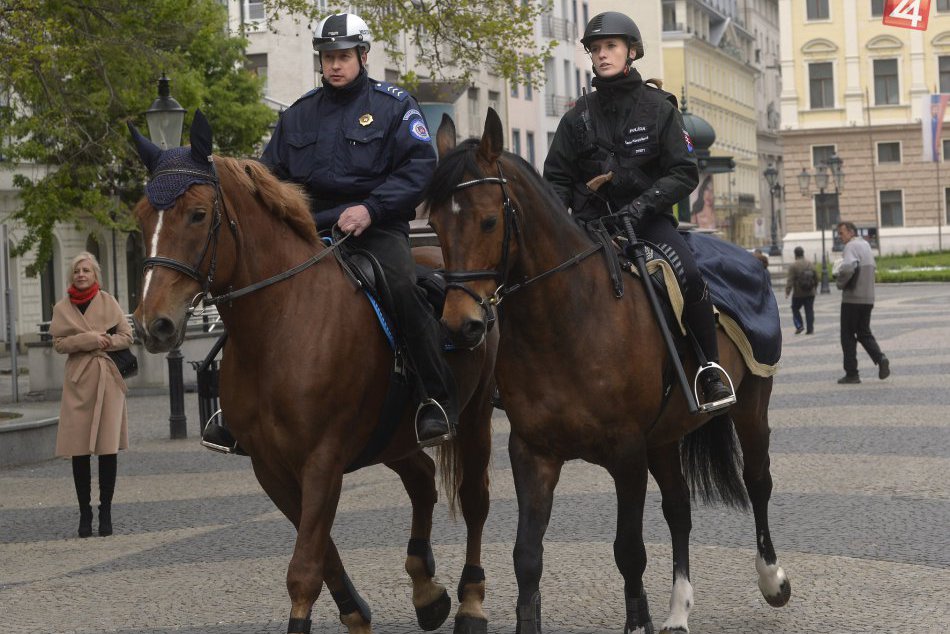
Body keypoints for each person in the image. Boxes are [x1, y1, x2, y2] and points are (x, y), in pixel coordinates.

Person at [257, 12, 456, 446]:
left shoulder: (395, 106)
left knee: (403, 288)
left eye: (344, 55)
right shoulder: (298, 115)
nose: (334, 65)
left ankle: (434, 398)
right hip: (308, 232)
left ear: (363, 56)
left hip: (376, 227)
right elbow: (269, 177)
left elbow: (420, 166)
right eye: (328, 57)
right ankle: (238, 405)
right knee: (255, 289)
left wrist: (371, 208)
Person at [543, 11, 734, 411]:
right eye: (595, 49)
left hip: (648, 223)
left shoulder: (659, 107)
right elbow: (555, 179)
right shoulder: (575, 117)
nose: (602, 55)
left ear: (631, 51)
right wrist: (565, 217)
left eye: (610, 46)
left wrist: (639, 207)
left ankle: (709, 369)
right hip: (588, 228)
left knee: (690, 274)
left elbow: (684, 172)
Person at [49, 252, 132, 537]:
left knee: (107, 449)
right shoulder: (62, 308)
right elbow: (59, 344)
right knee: (79, 450)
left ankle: (105, 512)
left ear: (95, 275)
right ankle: (85, 514)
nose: (81, 274)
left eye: (86, 270)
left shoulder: (108, 301)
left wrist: (104, 341)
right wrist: (88, 339)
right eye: (77, 271)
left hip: (108, 378)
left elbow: (127, 336)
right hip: (78, 381)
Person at [835, 221, 889, 384]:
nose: (840, 236)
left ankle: (852, 373)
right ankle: (880, 359)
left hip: (852, 299)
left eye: (842, 233)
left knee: (847, 335)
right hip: (868, 298)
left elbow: (848, 267)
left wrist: (839, 282)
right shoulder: (865, 245)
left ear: (851, 232)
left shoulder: (851, 247)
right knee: (863, 332)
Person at [785, 246, 816, 334]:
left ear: (795, 254)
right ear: (803, 253)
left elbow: (790, 280)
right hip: (810, 292)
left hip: (798, 293)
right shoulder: (810, 263)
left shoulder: (793, 265)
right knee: (809, 310)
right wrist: (815, 288)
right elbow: (816, 277)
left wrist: (787, 291)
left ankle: (799, 325)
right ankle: (810, 329)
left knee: (795, 308)